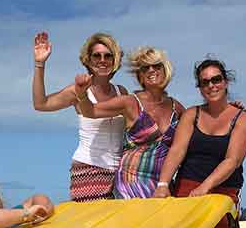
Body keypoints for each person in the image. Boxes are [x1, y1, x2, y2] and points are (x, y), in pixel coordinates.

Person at [154, 58, 246, 228]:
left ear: (225, 82)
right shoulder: (192, 114)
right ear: (199, 87)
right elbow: (177, 150)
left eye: (216, 80)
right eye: (205, 82)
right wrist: (163, 185)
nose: (211, 85)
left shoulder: (242, 119)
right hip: (186, 187)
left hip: (223, 189)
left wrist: (205, 187)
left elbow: (232, 160)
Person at [74, 46, 185, 199]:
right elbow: (90, 111)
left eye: (156, 65)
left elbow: (195, 135)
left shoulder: (176, 107)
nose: (151, 70)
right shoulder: (130, 102)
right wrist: (81, 94)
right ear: (140, 75)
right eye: (145, 68)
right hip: (131, 182)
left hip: (162, 183)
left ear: (165, 69)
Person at [32, 31, 129, 202]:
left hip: (120, 173)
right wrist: (39, 64)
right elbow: (41, 104)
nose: (102, 60)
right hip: (88, 169)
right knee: (91, 226)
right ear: (88, 60)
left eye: (108, 56)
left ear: (115, 60)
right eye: (96, 56)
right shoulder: (77, 90)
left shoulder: (121, 91)